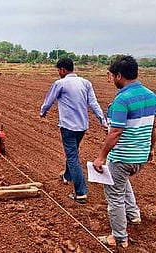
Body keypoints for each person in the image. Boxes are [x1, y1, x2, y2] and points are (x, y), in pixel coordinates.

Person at [93, 55, 156, 250]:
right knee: (123, 181)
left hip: (122, 157)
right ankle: (134, 214)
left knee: (114, 197)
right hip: (140, 156)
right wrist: (151, 149)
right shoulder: (151, 96)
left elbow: (116, 132)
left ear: (119, 76)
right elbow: (153, 128)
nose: (112, 79)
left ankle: (119, 237)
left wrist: (101, 156)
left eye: (112, 76)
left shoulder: (122, 100)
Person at [40, 57, 107, 204]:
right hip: (82, 126)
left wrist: (43, 112)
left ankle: (81, 192)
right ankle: (67, 176)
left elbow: (49, 100)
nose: (58, 73)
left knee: (72, 156)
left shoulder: (60, 83)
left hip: (68, 126)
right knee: (73, 151)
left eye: (59, 70)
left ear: (63, 70)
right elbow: (93, 103)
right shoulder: (86, 83)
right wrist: (102, 120)